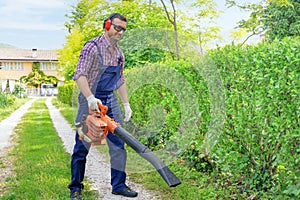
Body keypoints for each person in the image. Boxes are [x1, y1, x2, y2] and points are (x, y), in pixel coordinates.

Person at [68, 13, 138, 199]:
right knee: (83, 147)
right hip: (90, 102)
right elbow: (80, 75)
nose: (120, 32)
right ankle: (75, 188)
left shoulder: (119, 54)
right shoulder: (92, 47)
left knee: (118, 146)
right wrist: (90, 98)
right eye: (117, 27)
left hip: (110, 100)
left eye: (123, 29)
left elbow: (120, 80)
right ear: (107, 25)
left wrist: (126, 103)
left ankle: (119, 185)